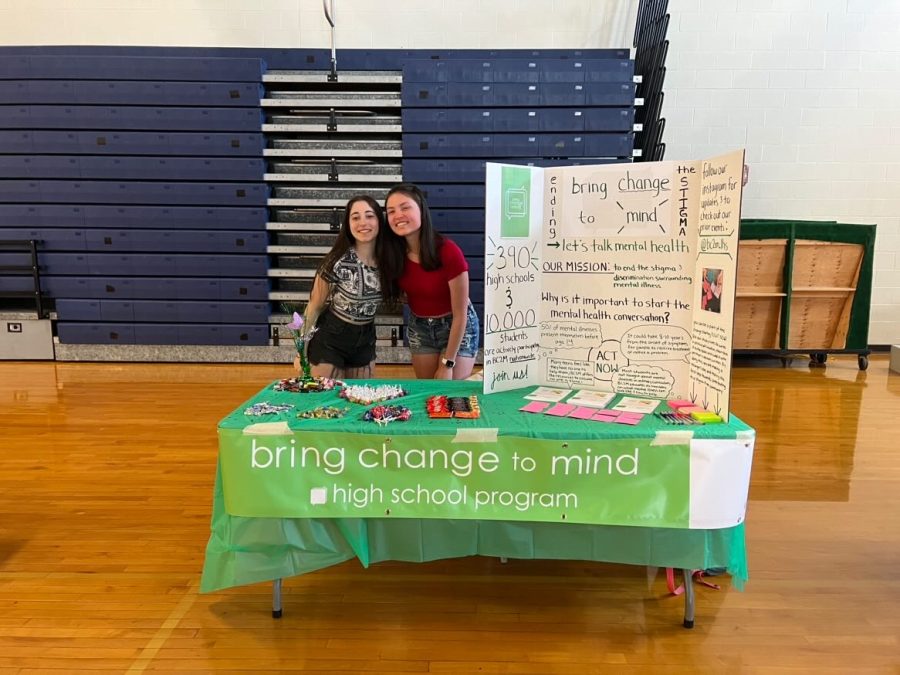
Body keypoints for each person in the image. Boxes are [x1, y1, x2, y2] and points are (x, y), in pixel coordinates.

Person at [381, 183, 479, 380]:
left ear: (421, 210)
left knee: (449, 391)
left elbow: (461, 315)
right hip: (420, 327)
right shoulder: (394, 254)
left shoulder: (449, 251)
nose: (398, 215)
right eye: (391, 211)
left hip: (456, 325)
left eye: (405, 207)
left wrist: (448, 363)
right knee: (429, 392)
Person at [294, 195, 385, 379]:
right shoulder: (336, 260)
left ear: (379, 220)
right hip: (331, 338)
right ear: (348, 224)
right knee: (324, 403)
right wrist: (300, 351)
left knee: (359, 402)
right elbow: (314, 306)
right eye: (355, 217)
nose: (363, 223)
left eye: (369, 216)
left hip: (365, 339)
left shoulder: (389, 260)